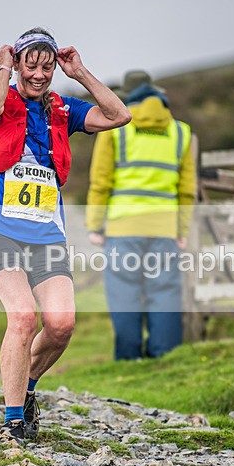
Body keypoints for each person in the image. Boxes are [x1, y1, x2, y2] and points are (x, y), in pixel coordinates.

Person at [0, 27, 131, 444]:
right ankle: (13, 422)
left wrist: (80, 73)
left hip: (46, 236)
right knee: (23, 316)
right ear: (18, 63)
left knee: (61, 325)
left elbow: (119, 115)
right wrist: (3, 66)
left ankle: (25, 387)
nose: (40, 74)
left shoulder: (63, 108)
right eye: (32, 65)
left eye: (47, 66)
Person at [86, 70, 196, 361]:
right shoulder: (181, 131)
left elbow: (101, 181)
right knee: (165, 293)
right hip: (165, 228)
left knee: (124, 294)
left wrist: (95, 225)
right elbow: (187, 189)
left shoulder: (116, 127)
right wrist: (181, 230)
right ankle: (165, 357)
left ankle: (129, 358)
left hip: (123, 228)